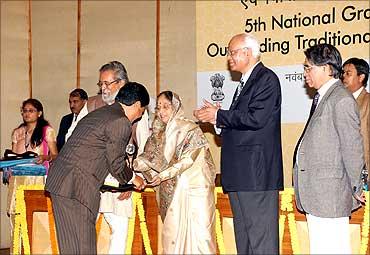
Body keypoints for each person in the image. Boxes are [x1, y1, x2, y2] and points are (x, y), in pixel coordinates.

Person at [193, 33, 283, 254]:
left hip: (256, 175)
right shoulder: (246, 81)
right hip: (242, 174)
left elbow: (256, 119)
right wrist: (216, 118)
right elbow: (240, 124)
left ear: (248, 53)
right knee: (245, 241)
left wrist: (221, 115)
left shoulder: (266, 79)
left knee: (261, 243)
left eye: (233, 52)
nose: (229, 58)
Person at [45, 82, 148, 255]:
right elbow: (115, 163)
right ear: (137, 104)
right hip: (79, 187)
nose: (140, 114)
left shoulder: (100, 113)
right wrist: (133, 179)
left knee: (70, 245)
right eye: (142, 110)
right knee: (85, 246)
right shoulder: (120, 122)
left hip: (60, 182)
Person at [293, 44, 365, 254]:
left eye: (309, 68)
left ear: (326, 68)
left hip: (330, 195)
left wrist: (357, 188)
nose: (305, 73)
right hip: (319, 195)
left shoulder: (340, 99)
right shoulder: (326, 96)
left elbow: (352, 147)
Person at [134, 91, 216, 254]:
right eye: (158, 108)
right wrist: (134, 165)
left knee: (201, 237)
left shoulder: (190, 129)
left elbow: (188, 159)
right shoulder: (157, 133)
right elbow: (149, 157)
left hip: (195, 190)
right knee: (173, 238)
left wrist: (163, 175)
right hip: (171, 192)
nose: (161, 111)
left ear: (176, 107)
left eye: (166, 106)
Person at [88, 60, 152, 254]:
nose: (104, 89)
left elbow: (144, 146)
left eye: (108, 84)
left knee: (120, 230)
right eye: (101, 84)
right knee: (84, 232)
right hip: (89, 179)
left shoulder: (137, 108)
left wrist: (130, 181)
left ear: (122, 83)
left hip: (119, 179)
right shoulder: (91, 104)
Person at [7, 98, 58, 241]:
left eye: (31, 111)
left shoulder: (47, 131)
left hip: (37, 178)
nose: (27, 114)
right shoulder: (17, 132)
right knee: (16, 214)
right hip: (17, 179)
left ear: (39, 113)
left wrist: (45, 157)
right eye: (24, 111)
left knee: (36, 216)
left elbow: (55, 155)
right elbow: (13, 157)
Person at [342, 58, 369, 189]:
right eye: (343, 73)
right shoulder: (340, 102)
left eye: (348, 73)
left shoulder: (368, 102)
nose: (343, 77)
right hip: (342, 174)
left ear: (361, 77)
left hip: (364, 173)